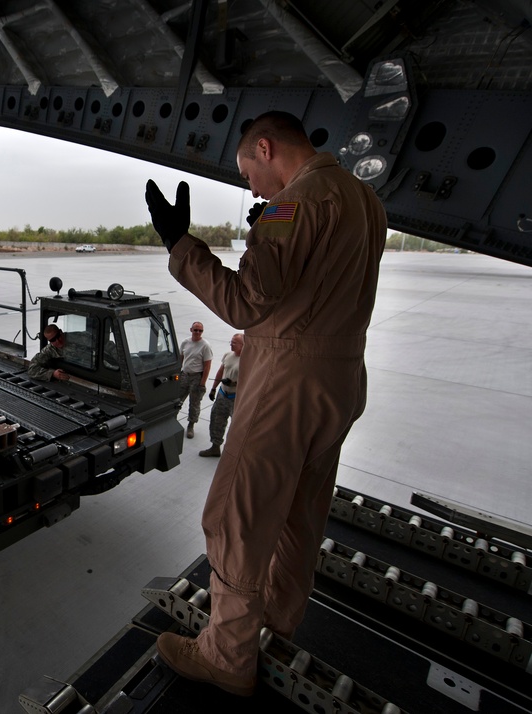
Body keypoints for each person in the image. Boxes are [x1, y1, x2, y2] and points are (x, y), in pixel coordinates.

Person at [144, 110, 386, 696]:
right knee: (300, 514)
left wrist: (181, 245)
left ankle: (227, 656)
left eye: (248, 169)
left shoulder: (290, 207)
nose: (250, 185)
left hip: (286, 383)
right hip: (342, 380)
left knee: (237, 518)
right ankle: (276, 625)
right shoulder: (365, 200)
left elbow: (248, 304)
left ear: (267, 147)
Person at [199, 334, 245, 457]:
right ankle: (215, 447)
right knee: (216, 421)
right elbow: (220, 372)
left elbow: (251, 380)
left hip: (236, 399)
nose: (231, 344)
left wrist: (234, 383)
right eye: (231, 341)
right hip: (222, 394)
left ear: (243, 345)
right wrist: (213, 388)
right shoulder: (228, 355)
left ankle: (232, 453)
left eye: (234, 342)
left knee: (237, 427)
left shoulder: (248, 360)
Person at [179, 322, 213, 438]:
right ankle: (172, 420)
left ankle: (191, 425)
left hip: (196, 377)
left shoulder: (205, 345)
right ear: (191, 330)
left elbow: (207, 366)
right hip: (184, 375)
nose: (198, 332)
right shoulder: (185, 342)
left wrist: (202, 383)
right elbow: (181, 358)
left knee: (194, 403)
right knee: (177, 400)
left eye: (200, 331)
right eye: (196, 330)